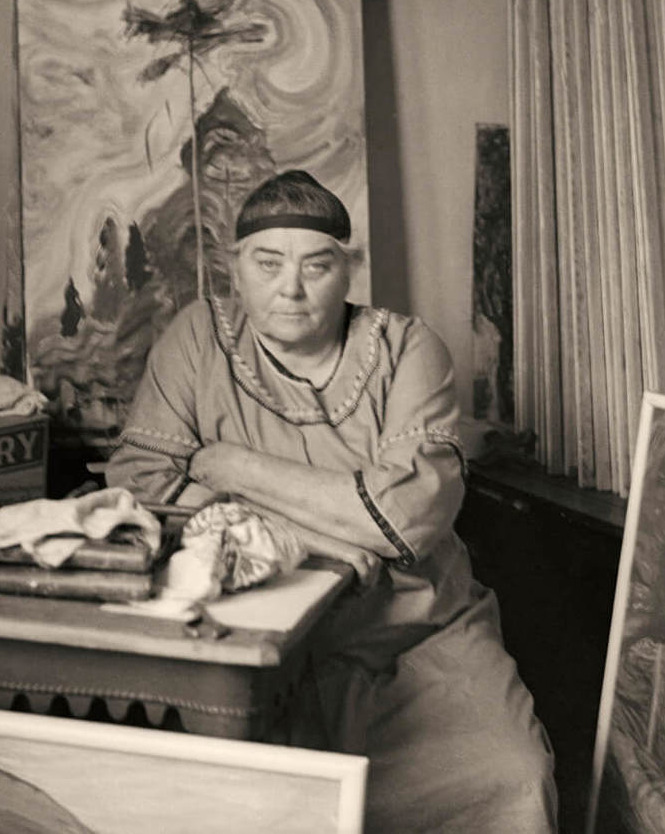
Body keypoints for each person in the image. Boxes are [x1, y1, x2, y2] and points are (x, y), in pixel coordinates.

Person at [106, 170, 557, 833]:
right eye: (268, 264)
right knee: (254, 799)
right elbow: (140, 477)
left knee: (514, 773)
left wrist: (230, 464)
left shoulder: (407, 348)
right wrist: (318, 537)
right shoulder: (200, 336)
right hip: (265, 634)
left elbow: (406, 519)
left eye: (316, 265)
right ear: (236, 268)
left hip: (414, 626)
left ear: (349, 269)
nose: (290, 288)